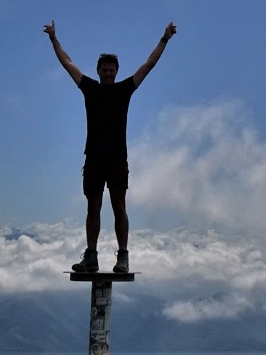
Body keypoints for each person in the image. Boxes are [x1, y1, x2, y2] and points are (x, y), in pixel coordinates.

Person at [44, 19, 177, 274]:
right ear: (98, 71)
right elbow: (67, 63)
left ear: (116, 72)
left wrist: (164, 39)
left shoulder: (124, 90)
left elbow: (149, 65)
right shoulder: (90, 89)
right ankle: (91, 257)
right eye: (104, 70)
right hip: (93, 158)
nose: (108, 73)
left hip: (117, 159)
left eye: (111, 70)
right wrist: (54, 39)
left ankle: (123, 257)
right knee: (93, 207)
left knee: (119, 207)